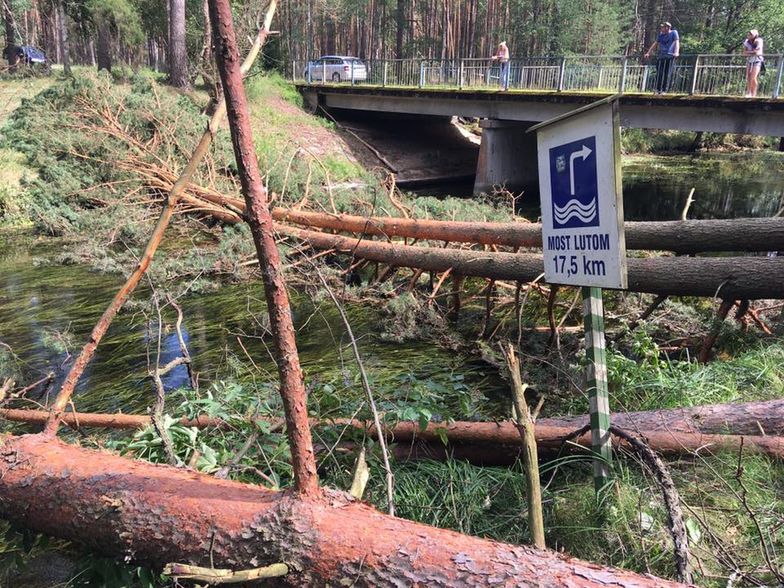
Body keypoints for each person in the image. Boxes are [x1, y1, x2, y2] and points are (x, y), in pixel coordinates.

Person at [644, 22, 680, 94]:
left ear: (668, 27)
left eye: (663, 27)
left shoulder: (674, 33)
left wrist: (676, 52)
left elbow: (677, 42)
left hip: (670, 56)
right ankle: (658, 89)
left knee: (667, 74)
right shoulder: (661, 35)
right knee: (659, 73)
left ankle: (664, 90)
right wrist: (648, 53)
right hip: (661, 56)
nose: (662, 29)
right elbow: (655, 44)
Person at [743, 29, 764, 97]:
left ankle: (753, 94)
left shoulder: (759, 40)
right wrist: (751, 52)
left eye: (751, 34)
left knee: (753, 77)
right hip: (749, 61)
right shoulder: (747, 41)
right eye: (749, 34)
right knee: (748, 76)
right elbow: (744, 53)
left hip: (757, 60)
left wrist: (749, 52)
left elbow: (757, 52)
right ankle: (749, 92)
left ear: (755, 35)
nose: (749, 35)